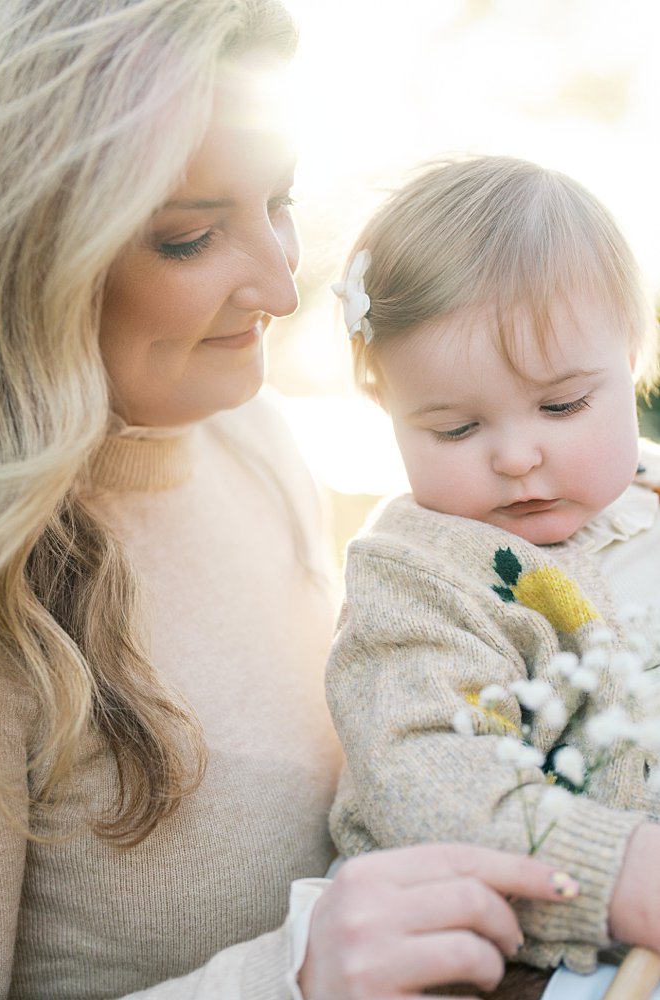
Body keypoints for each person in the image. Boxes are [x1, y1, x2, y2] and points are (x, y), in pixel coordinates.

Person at [0, 6, 580, 998]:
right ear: (23, 255)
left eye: (282, 198)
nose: (281, 281)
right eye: (189, 237)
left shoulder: (246, 432)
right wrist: (288, 979)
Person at [327, 154, 660, 984]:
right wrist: (616, 870)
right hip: (527, 957)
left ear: (634, 359)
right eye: (455, 429)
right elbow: (423, 778)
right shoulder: (420, 582)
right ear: (390, 412)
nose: (518, 457)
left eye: (562, 406)